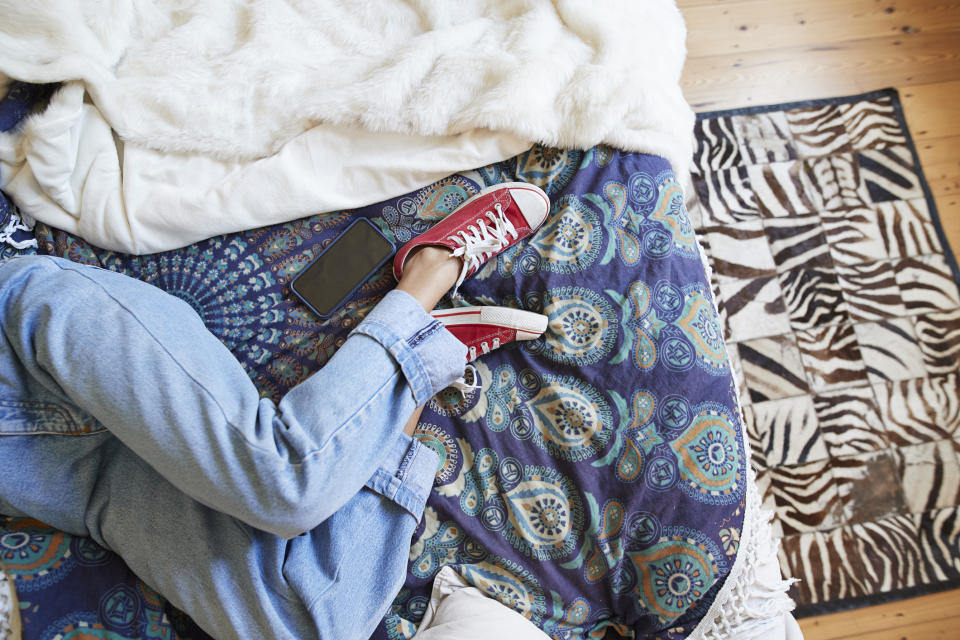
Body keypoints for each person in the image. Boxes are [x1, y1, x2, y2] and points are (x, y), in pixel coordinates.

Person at [0, 183, 550, 639]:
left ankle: (425, 278)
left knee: (285, 483)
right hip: (82, 475)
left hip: (33, 347)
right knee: (319, 629)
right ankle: (415, 366)